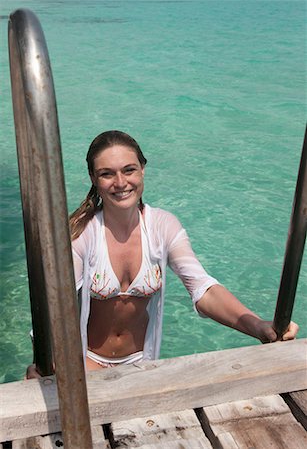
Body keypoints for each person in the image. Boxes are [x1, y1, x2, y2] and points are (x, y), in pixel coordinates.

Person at [27, 130, 299, 377]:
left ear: (142, 170)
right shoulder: (81, 235)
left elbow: (203, 289)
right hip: (84, 363)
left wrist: (258, 326)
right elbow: (55, 311)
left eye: (129, 170)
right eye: (107, 173)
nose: (121, 182)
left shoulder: (163, 227)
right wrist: (49, 364)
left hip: (143, 364)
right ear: (93, 179)